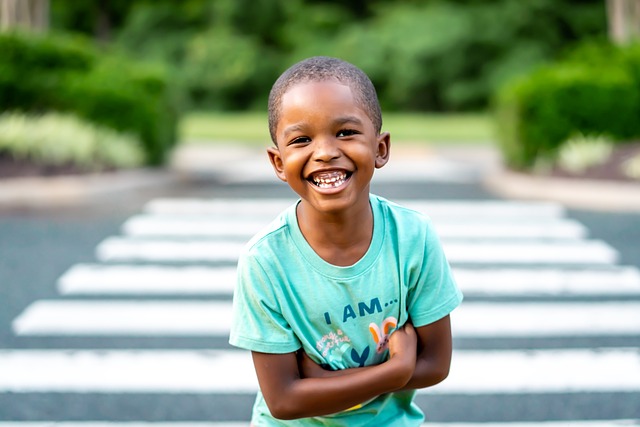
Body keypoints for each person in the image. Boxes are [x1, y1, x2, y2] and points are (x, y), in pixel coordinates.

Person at [229, 56, 463, 426]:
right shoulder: (266, 261)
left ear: (380, 148)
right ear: (278, 161)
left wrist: (322, 383)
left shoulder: (412, 237)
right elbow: (284, 400)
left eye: (346, 133)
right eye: (302, 139)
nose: (324, 152)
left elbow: (436, 364)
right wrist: (396, 368)